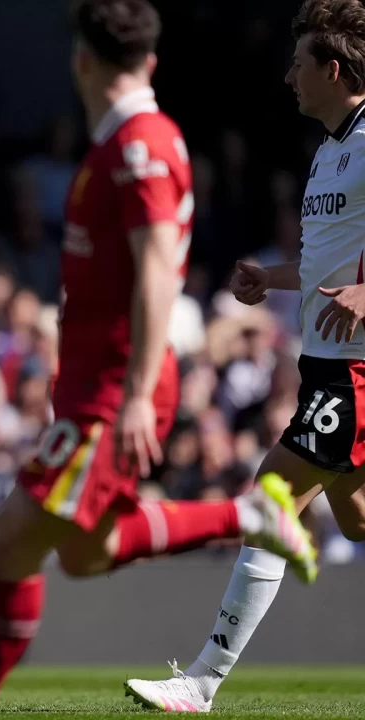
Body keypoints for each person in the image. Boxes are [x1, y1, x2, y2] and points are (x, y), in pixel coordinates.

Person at [0, 3, 318, 718]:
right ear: (151, 62)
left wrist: (135, 393)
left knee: (11, 537)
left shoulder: (141, 144)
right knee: (82, 553)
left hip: (117, 385)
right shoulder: (117, 143)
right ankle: (249, 514)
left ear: (80, 60)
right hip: (93, 382)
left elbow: (160, 271)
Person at [126, 0, 365, 711]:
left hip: (357, 368)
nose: (287, 77)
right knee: (355, 518)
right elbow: (328, 258)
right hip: (322, 363)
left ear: (331, 68)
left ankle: (202, 681)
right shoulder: (330, 150)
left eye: (297, 65)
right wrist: (275, 276)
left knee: (272, 496)